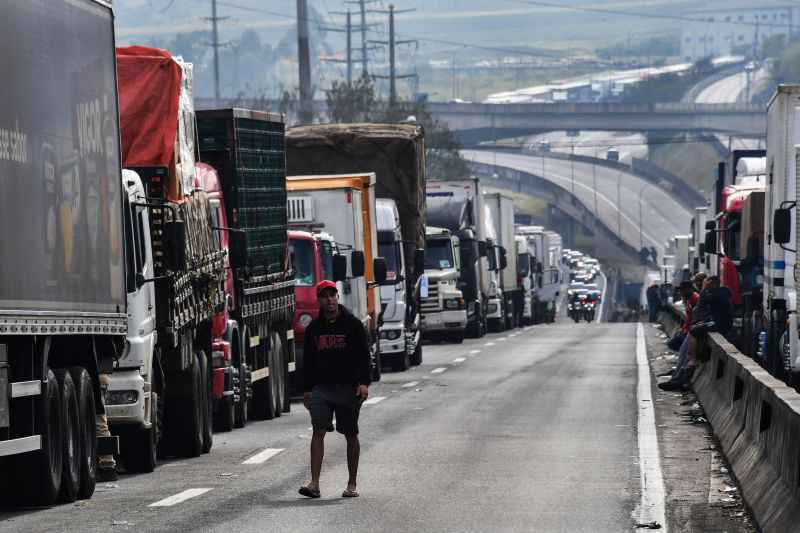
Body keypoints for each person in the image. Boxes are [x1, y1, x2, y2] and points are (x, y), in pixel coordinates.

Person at [299, 280, 371, 499]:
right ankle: (314, 483)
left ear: (337, 298)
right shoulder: (314, 328)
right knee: (318, 431)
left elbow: (363, 356)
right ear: (319, 301)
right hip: (322, 388)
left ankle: (351, 484)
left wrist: (363, 383)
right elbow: (308, 361)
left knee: (350, 434)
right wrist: (307, 389)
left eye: (333, 295)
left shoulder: (352, 324)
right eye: (324, 296)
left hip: (348, 388)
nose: (329, 300)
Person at [658, 281, 698, 391]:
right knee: (682, 354)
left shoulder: (695, 299)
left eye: (682, 290)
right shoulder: (689, 299)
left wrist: (688, 330)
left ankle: (679, 380)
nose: (681, 292)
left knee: (685, 356)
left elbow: (695, 318)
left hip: (692, 332)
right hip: (688, 331)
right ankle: (676, 377)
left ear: (689, 289)